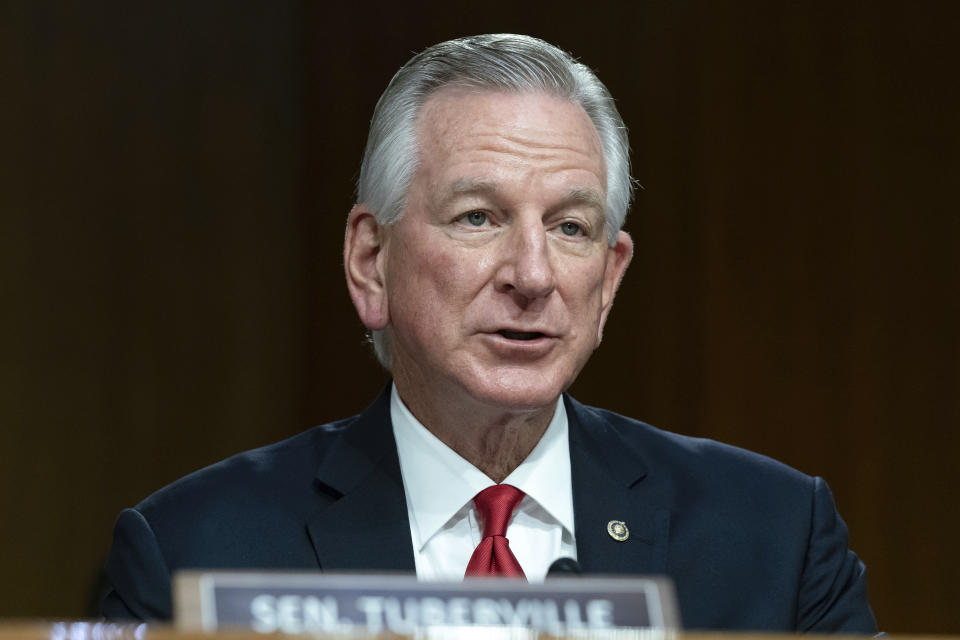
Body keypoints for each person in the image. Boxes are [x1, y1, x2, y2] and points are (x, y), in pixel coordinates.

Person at [102, 34, 877, 632]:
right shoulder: (193, 553)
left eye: (570, 228)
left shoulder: (773, 538)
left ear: (607, 281)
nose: (532, 275)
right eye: (479, 217)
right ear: (371, 261)